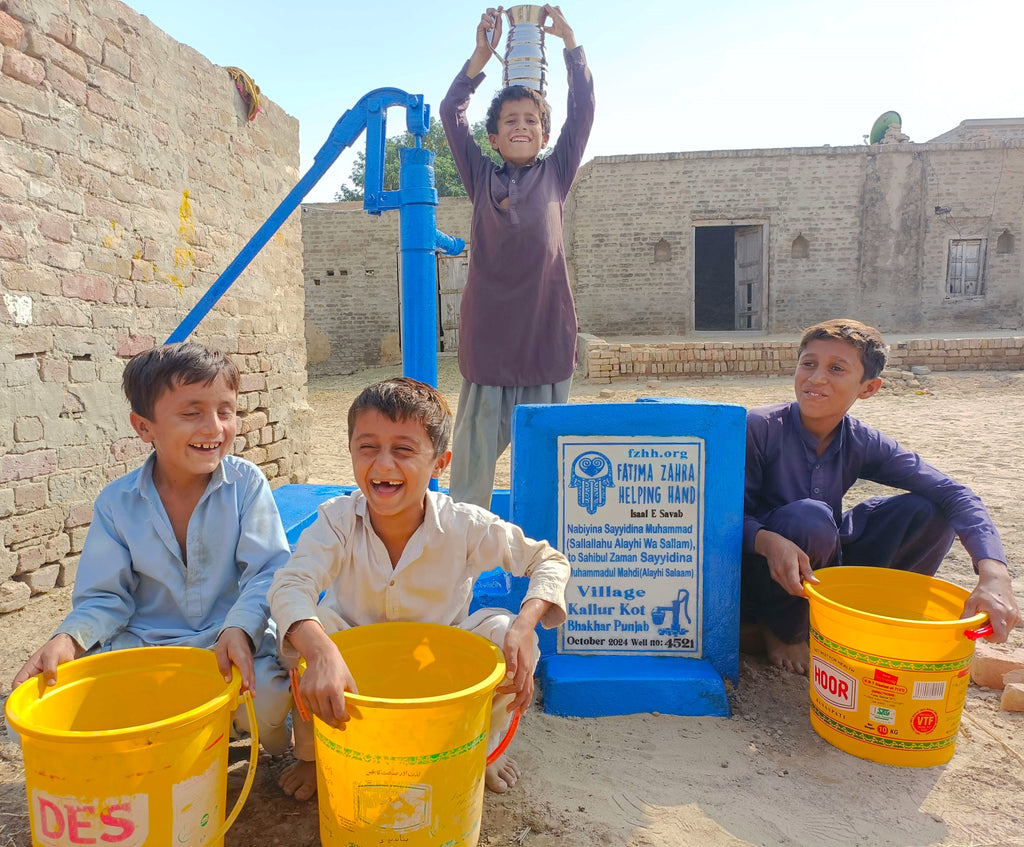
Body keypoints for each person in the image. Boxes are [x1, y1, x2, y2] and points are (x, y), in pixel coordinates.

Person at [268, 377, 569, 801]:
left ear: (440, 463)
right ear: (351, 451)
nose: (384, 465)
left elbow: (548, 560)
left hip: (437, 668)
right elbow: (292, 583)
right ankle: (312, 754)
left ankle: (486, 747)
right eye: (367, 447)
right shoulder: (337, 520)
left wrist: (526, 622)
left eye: (404, 450)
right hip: (356, 668)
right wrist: (319, 650)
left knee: (505, 634)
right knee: (303, 638)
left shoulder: (466, 525)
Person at [11, 342, 292, 754]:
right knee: (95, 708)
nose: (214, 427)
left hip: (225, 640)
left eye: (226, 410)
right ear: (144, 428)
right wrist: (69, 639)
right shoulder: (116, 503)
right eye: (191, 412)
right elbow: (105, 597)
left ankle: (229, 735)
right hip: (147, 646)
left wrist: (239, 627)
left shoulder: (246, 484)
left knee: (267, 699)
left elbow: (267, 570)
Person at [742, 319, 1021, 674]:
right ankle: (782, 629)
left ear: (868, 388)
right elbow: (721, 514)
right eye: (808, 363)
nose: (815, 379)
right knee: (808, 519)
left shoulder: (862, 440)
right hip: (760, 572)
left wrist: (994, 573)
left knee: (931, 510)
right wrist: (765, 540)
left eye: (836, 369)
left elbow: (955, 494)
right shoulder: (758, 427)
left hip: (825, 561)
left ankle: (868, 621)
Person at [439, 4, 595, 509]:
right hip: (490, 341)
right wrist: (479, 57)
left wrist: (571, 45)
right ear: (495, 135)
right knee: (472, 463)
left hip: (546, 337)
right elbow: (450, 113)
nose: (521, 126)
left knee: (547, 464)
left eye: (531, 119)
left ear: (546, 135)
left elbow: (584, 109)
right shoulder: (481, 176)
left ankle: (538, 554)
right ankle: (462, 551)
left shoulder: (558, 172)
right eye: (510, 120)